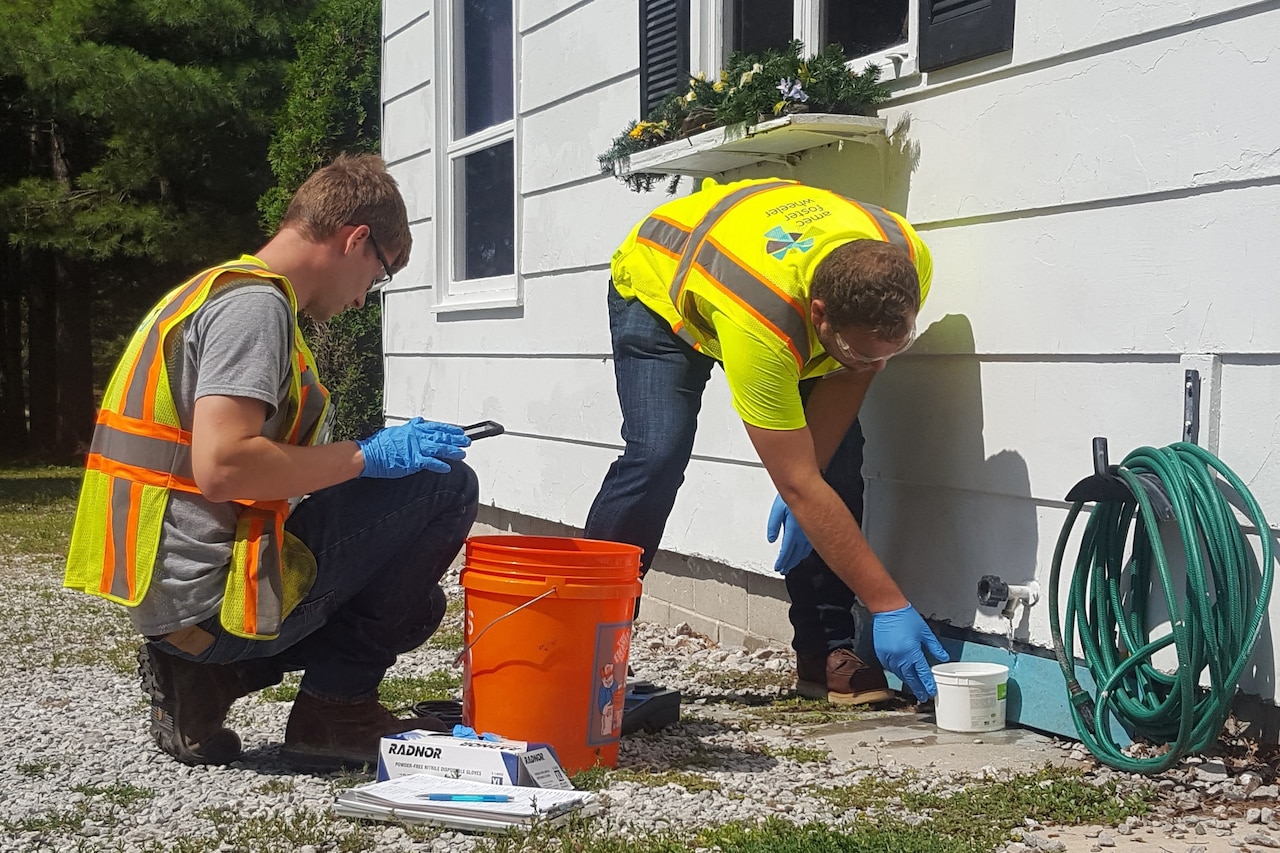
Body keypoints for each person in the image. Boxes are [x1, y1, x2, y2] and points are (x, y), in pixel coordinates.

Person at [63, 154, 480, 770]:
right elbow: (226, 466)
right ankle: (334, 711)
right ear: (356, 239)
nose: (365, 298)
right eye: (380, 274)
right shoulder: (255, 308)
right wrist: (365, 459)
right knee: (446, 489)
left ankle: (199, 680)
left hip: (175, 602)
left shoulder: (212, 291)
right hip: (212, 603)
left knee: (416, 584)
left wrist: (358, 463)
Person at [584, 177, 949, 704]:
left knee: (837, 463)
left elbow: (856, 372)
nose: (878, 366)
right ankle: (585, 644)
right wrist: (889, 604)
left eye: (890, 351)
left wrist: (814, 478)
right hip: (660, 283)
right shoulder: (761, 323)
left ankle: (826, 655)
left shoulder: (907, 258)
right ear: (819, 315)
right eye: (860, 351)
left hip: (765, 266)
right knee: (657, 453)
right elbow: (799, 481)